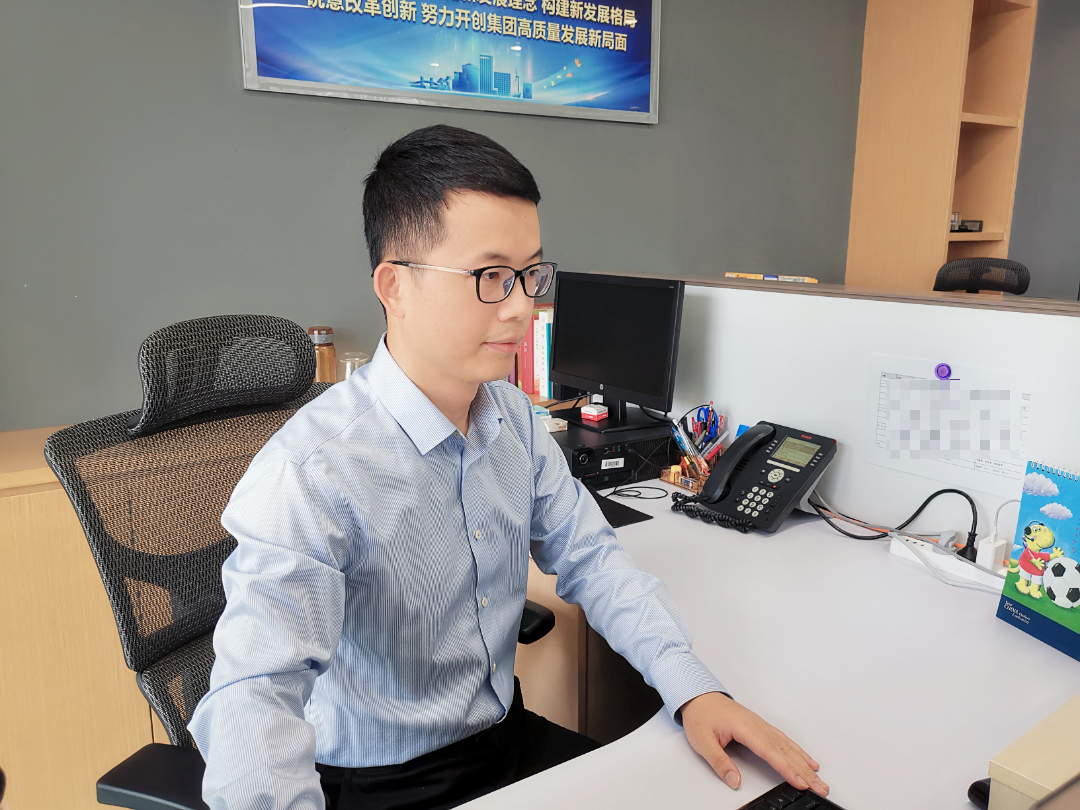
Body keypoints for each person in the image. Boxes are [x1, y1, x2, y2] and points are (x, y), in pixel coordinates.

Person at [188, 124, 828, 809]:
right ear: (395, 286)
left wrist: (695, 689)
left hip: (502, 738)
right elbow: (250, 708)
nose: (524, 306)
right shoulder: (313, 471)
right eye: (491, 277)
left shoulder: (514, 419)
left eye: (530, 274)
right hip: (385, 784)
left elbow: (593, 559)